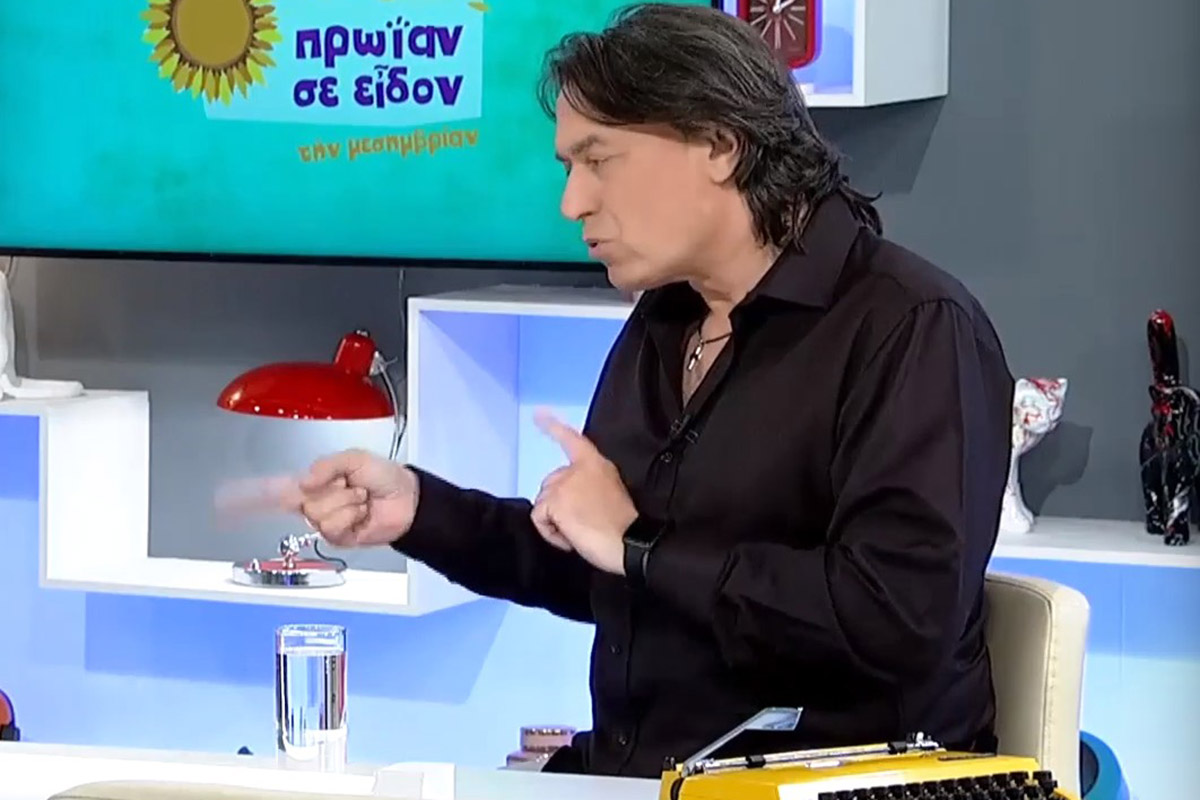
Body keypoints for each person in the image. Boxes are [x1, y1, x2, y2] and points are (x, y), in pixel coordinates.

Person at [293, 2, 1014, 779]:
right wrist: (421, 511)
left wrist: (641, 549)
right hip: (636, 777)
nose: (572, 203)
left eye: (599, 160)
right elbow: (607, 566)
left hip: (826, 785)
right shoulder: (667, 320)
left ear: (719, 145)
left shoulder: (912, 326)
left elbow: (895, 618)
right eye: (568, 168)